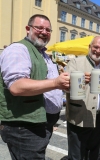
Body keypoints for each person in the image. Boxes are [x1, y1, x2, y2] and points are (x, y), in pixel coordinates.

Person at [0, 14, 69, 159]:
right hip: (24, 127)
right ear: (28, 29)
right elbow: (17, 86)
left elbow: (45, 83)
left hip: (39, 124)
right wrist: (56, 83)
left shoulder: (43, 54)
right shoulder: (18, 49)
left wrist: (61, 87)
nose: (44, 32)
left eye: (48, 30)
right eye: (39, 28)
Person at [65, 36, 100, 160]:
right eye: (96, 47)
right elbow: (64, 86)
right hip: (80, 114)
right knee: (77, 153)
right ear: (90, 47)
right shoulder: (76, 62)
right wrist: (79, 80)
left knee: (94, 151)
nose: (98, 50)